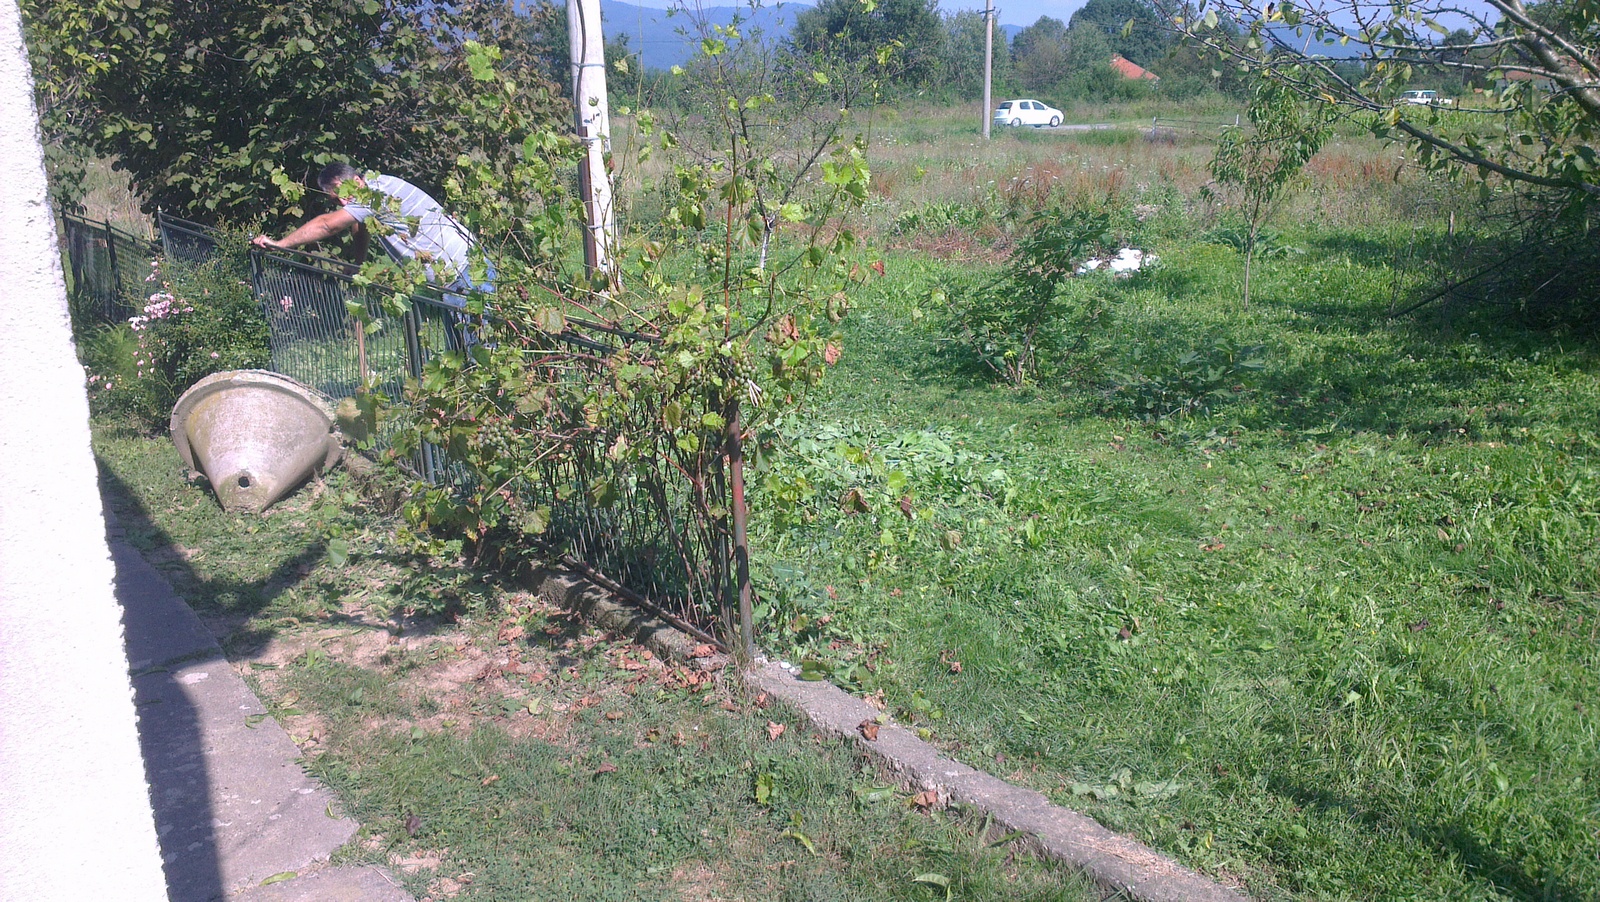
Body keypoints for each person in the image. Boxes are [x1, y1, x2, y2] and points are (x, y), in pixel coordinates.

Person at [252, 162, 493, 309]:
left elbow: (327, 226)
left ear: (357, 180)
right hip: (459, 274)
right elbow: (362, 226)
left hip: (466, 275)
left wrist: (280, 244)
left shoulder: (375, 194)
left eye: (343, 193)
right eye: (336, 201)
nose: (343, 202)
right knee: (465, 355)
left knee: (480, 353)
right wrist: (359, 263)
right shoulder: (376, 187)